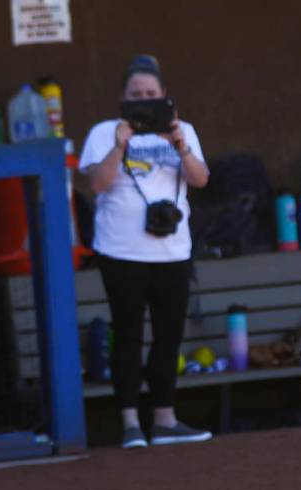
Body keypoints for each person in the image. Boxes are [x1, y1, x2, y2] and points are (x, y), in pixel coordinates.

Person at [79, 54, 212, 449]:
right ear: (123, 98)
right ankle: (130, 424)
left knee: (168, 336)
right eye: (137, 94)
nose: (144, 100)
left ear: (164, 96)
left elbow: (201, 179)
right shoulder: (105, 132)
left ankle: (165, 420)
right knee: (128, 334)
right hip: (121, 252)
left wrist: (181, 145)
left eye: (151, 94)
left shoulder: (182, 130)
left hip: (172, 252)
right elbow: (97, 185)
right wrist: (121, 144)